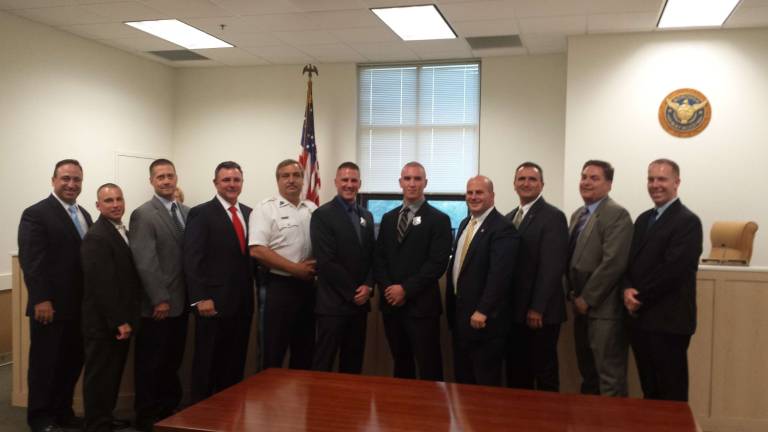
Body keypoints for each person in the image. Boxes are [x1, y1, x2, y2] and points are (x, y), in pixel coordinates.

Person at [18, 159, 93, 432]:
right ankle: (40, 419)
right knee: (44, 366)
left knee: (71, 363)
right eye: (66, 178)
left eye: (77, 180)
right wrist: (41, 299)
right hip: (49, 307)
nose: (71, 184)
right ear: (53, 180)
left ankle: (63, 412)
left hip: (79, 308)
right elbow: (32, 260)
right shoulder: (36, 214)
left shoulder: (84, 213)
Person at [623, 159, 702, 401]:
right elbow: (629, 262)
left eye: (662, 179)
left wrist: (640, 297)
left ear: (676, 182)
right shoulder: (643, 219)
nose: (655, 185)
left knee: (671, 394)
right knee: (650, 392)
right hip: (641, 321)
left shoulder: (687, 221)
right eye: (651, 179)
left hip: (669, 322)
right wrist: (626, 288)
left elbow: (673, 271)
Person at [374, 161, 452, 381]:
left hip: (422, 307)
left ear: (425, 183)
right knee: (401, 363)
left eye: (417, 179)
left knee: (429, 366)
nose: (412, 184)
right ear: (400, 182)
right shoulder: (389, 219)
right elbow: (379, 259)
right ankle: (401, 414)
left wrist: (405, 290)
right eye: (407, 179)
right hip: (392, 307)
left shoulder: (439, 220)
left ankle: (431, 414)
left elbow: (437, 264)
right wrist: (389, 289)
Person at [184, 161, 254, 402]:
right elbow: (192, 259)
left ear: (242, 183)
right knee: (207, 364)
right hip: (211, 305)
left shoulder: (249, 213)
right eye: (226, 180)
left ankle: (228, 413)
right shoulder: (201, 213)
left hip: (243, 304)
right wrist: (200, 297)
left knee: (234, 363)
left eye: (236, 180)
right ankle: (199, 419)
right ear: (216, 183)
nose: (231, 185)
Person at [129, 159, 189, 430]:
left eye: (170, 176)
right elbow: (145, 261)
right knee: (150, 364)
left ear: (176, 178)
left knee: (171, 362)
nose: (166, 181)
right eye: (160, 177)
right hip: (158, 306)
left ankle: (168, 408)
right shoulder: (144, 214)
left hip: (182, 304)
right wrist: (160, 298)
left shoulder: (187, 212)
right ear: (151, 181)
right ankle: (146, 416)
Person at [567, 160, 633, 397]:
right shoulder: (577, 215)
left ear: (609, 184)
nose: (586, 182)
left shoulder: (617, 215)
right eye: (584, 176)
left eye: (594, 178)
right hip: (579, 308)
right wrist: (573, 295)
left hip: (604, 311)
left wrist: (587, 298)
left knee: (609, 379)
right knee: (588, 375)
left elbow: (613, 262)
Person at [80, 184, 142, 432]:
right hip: (103, 323)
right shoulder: (97, 236)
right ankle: (96, 424)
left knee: (112, 375)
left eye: (118, 199)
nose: (115, 204)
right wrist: (119, 321)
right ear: (98, 206)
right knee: (100, 377)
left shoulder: (118, 230)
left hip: (116, 320)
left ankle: (105, 417)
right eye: (108, 201)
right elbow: (101, 286)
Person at [446, 175, 518, 386]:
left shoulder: (502, 227)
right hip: (461, 318)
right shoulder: (465, 223)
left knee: (485, 382)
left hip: (484, 321)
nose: (474, 197)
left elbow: (500, 275)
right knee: (463, 379)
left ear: (492, 196)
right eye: (470, 192)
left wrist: (484, 310)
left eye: (479, 192)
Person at [505, 162, 568, 392]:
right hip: (514, 312)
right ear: (514, 184)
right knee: (518, 371)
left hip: (540, 313)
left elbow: (552, 267)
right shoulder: (510, 217)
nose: (526, 183)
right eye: (521, 179)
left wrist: (537, 308)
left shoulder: (553, 217)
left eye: (532, 179)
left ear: (542, 184)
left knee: (544, 372)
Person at [249, 159, 317, 370]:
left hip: (309, 288)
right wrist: (295, 269)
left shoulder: (312, 208)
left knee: (305, 351)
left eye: (296, 175)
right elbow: (257, 250)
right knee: (273, 352)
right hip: (279, 287)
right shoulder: (265, 209)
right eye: (285, 176)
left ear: (303, 179)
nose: (291, 180)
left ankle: (300, 402)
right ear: (277, 180)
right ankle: (268, 402)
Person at [310, 162, 375, 373]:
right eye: (344, 180)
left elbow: (370, 256)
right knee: (324, 363)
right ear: (336, 183)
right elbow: (326, 261)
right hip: (333, 305)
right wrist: (353, 292)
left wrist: (368, 286)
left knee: (353, 364)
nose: (349, 184)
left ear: (360, 184)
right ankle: (320, 406)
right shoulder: (322, 215)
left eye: (353, 180)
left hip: (360, 305)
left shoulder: (366, 215)